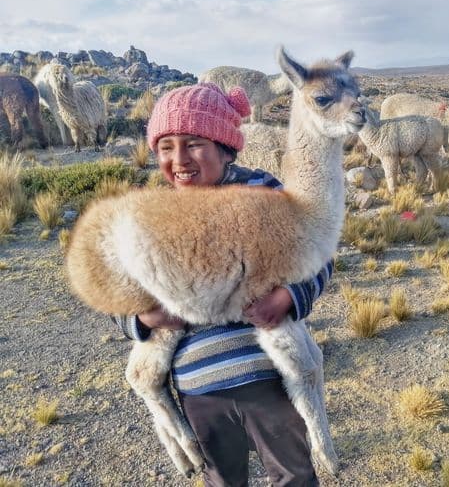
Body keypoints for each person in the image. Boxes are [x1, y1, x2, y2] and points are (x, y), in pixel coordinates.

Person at [112, 83, 332, 487]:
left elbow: (316, 257)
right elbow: (114, 291)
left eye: (194, 144)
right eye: (166, 147)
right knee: (224, 479)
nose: (179, 160)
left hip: (268, 374)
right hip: (198, 387)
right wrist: (142, 317)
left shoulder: (263, 192)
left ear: (225, 147)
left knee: (294, 475)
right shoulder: (149, 216)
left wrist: (286, 298)